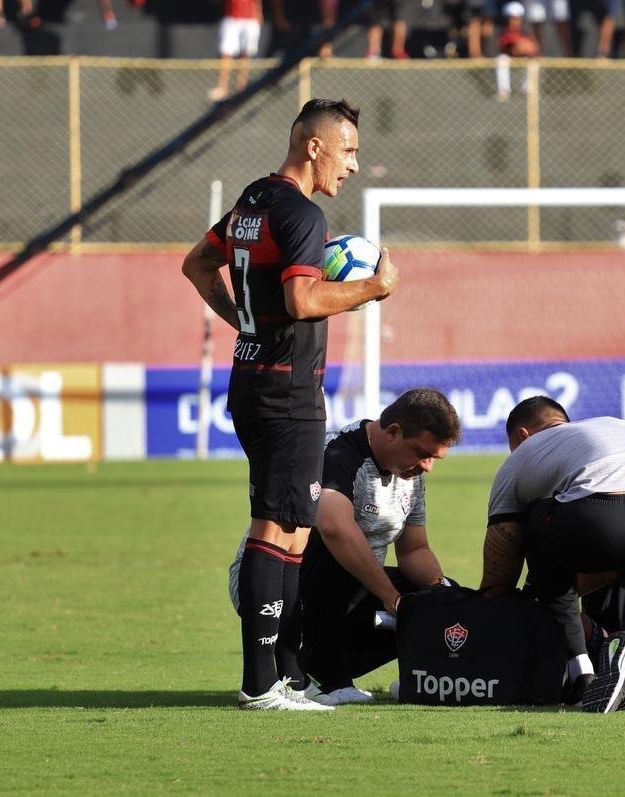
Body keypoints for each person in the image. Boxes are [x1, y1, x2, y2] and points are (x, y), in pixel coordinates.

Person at [181, 98, 399, 710]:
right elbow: (303, 300)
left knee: (296, 532)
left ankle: (290, 678)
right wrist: (372, 287)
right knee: (275, 528)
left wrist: (244, 322)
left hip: (259, 380)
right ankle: (259, 685)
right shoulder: (301, 213)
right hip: (287, 392)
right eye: (347, 151)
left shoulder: (253, 201)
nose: (352, 165)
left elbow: (197, 264)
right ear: (314, 146)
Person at [481, 396, 625, 713]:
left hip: (592, 519)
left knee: (533, 517)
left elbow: (498, 578)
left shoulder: (524, 453)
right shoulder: (623, 428)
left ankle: (578, 667)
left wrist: (523, 605)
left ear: (522, 436)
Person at [298, 388, 461, 705]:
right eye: (423, 453)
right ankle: (328, 679)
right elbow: (332, 527)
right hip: (288, 589)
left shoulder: (410, 475)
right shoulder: (337, 454)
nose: (428, 466)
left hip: (351, 593)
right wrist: (391, 598)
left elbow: (414, 551)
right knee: (336, 554)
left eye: (434, 458)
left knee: (441, 596)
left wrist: (438, 594)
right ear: (393, 432)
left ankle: (418, 677)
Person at [209, 0, 264, 101]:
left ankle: (241, 87)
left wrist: (259, 13)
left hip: (250, 20)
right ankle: (222, 87)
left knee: (245, 54)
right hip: (232, 19)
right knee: (226, 54)